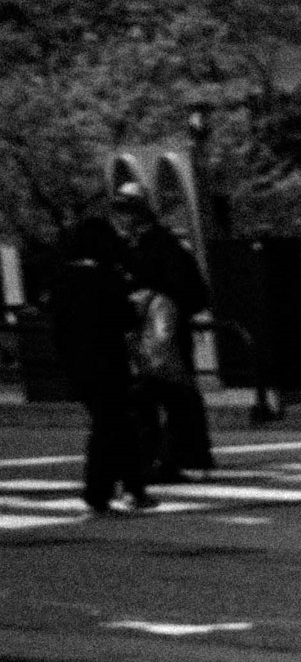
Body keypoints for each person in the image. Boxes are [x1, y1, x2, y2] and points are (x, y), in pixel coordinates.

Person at [47, 212, 154, 515]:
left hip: (78, 364)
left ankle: (130, 487)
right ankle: (103, 490)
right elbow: (125, 318)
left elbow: (58, 329)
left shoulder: (63, 279)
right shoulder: (104, 277)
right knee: (113, 425)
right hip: (108, 360)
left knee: (115, 423)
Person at [108, 183, 213, 482]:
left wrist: (148, 298)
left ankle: (166, 458)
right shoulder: (141, 246)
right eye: (120, 211)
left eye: (127, 210)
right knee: (162, 398)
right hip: (149, 333)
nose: (122, 217)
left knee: (165, 398)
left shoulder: (159, 247)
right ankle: (165, 457)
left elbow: (188, 290)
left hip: (162, 332)